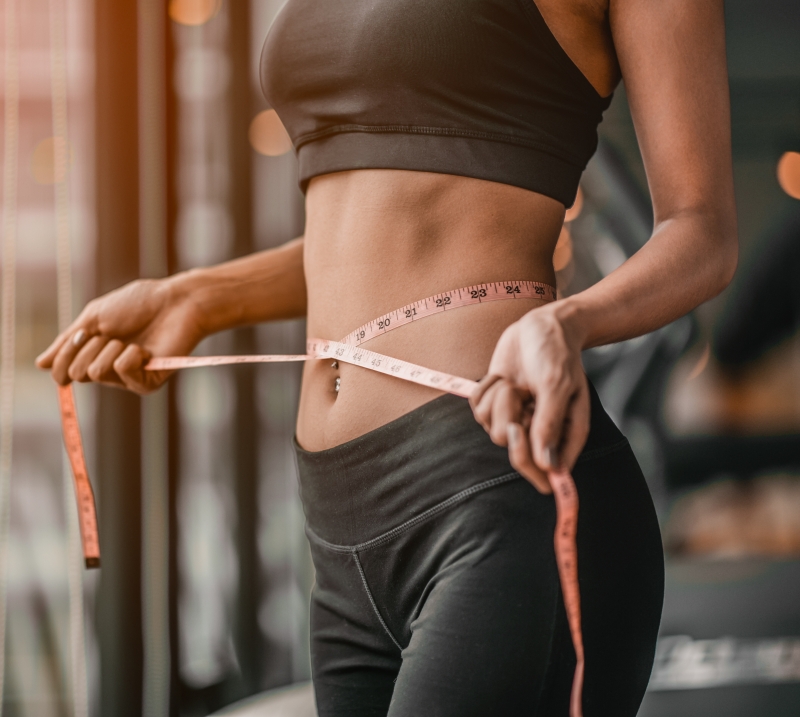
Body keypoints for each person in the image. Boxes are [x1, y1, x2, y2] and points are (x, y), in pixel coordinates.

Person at [37, 0, 737, 714]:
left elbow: (702, 229)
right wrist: (198, 297)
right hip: (337, 528)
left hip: (500, 493)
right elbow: (380, 233)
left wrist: (567, 321)